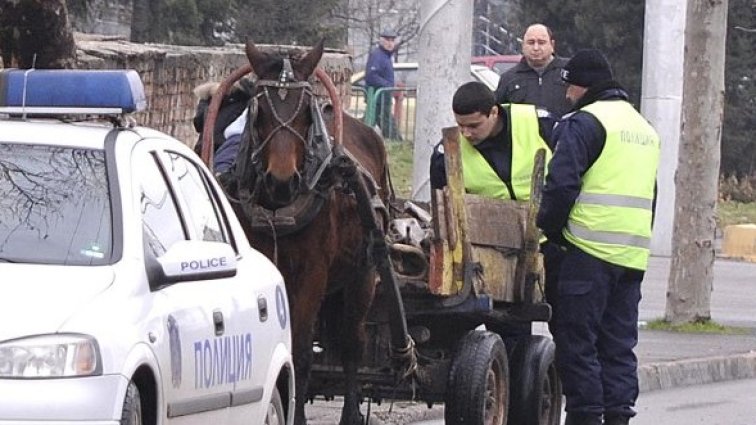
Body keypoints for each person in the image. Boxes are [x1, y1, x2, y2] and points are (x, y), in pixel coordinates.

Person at [536, 49, 660, 425]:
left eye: (568, 88)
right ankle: (619, 417)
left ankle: (586, 417)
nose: (566, 96)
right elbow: (651, 195)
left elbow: (561, 186)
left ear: (579, 86)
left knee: (578, 346)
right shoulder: (644, 129)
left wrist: (551, 231)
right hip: (632, 257)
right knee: (619, 348)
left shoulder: (586, 122)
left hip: (587, 253)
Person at [494, 23, 571, 117]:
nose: (536, 48)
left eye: (541, 42)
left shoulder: (570, 72)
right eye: (531, 42)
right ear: (523, 45)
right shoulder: (509, 78)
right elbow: (499, 116)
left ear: (552, 45)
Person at [365, 28, 402, 140]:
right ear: (381, 40)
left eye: (392, 40)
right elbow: (371, 76)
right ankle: (397, 142)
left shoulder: (386, 57)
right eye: (387, 40)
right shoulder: (378, 56)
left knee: (370, 121)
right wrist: (387, 85)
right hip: (377, 97)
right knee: (384, 120)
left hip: (382, 97)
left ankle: (396, 142)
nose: (390, 43)